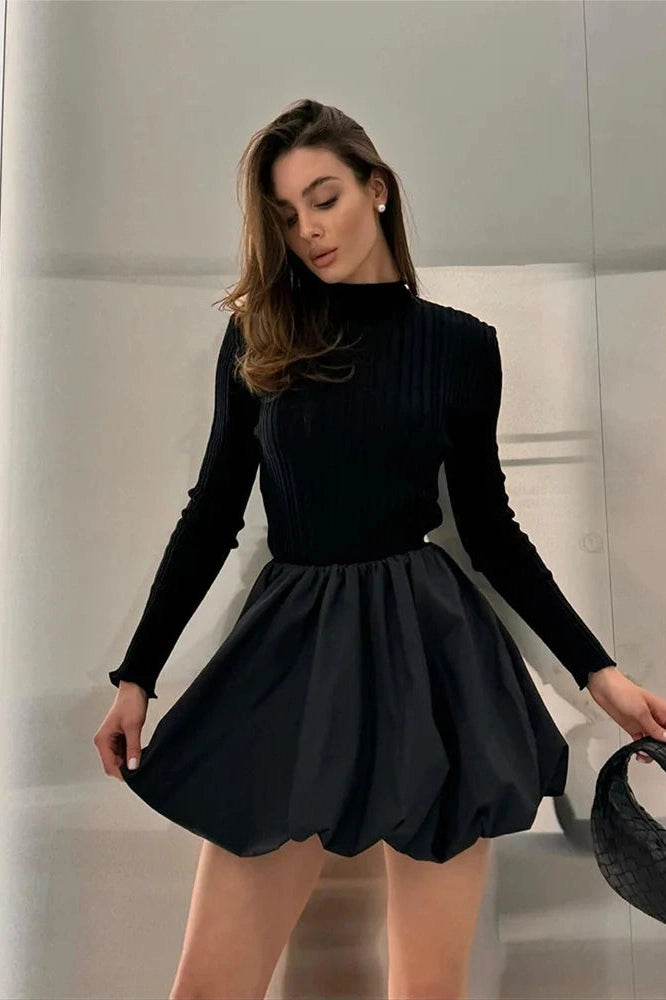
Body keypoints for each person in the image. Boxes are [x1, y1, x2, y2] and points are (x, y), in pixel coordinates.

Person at [93, 99, 666, 1000]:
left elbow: (491, 534)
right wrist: (137, 675)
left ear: (378, 189)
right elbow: (212, 514)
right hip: (293, 657)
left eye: (324, 198)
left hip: (428, 661)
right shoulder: (260, 335)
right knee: (207, 991)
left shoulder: (461, 348)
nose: (309, 230)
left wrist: (602, 676)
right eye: (287, 215)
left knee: (426, 991)